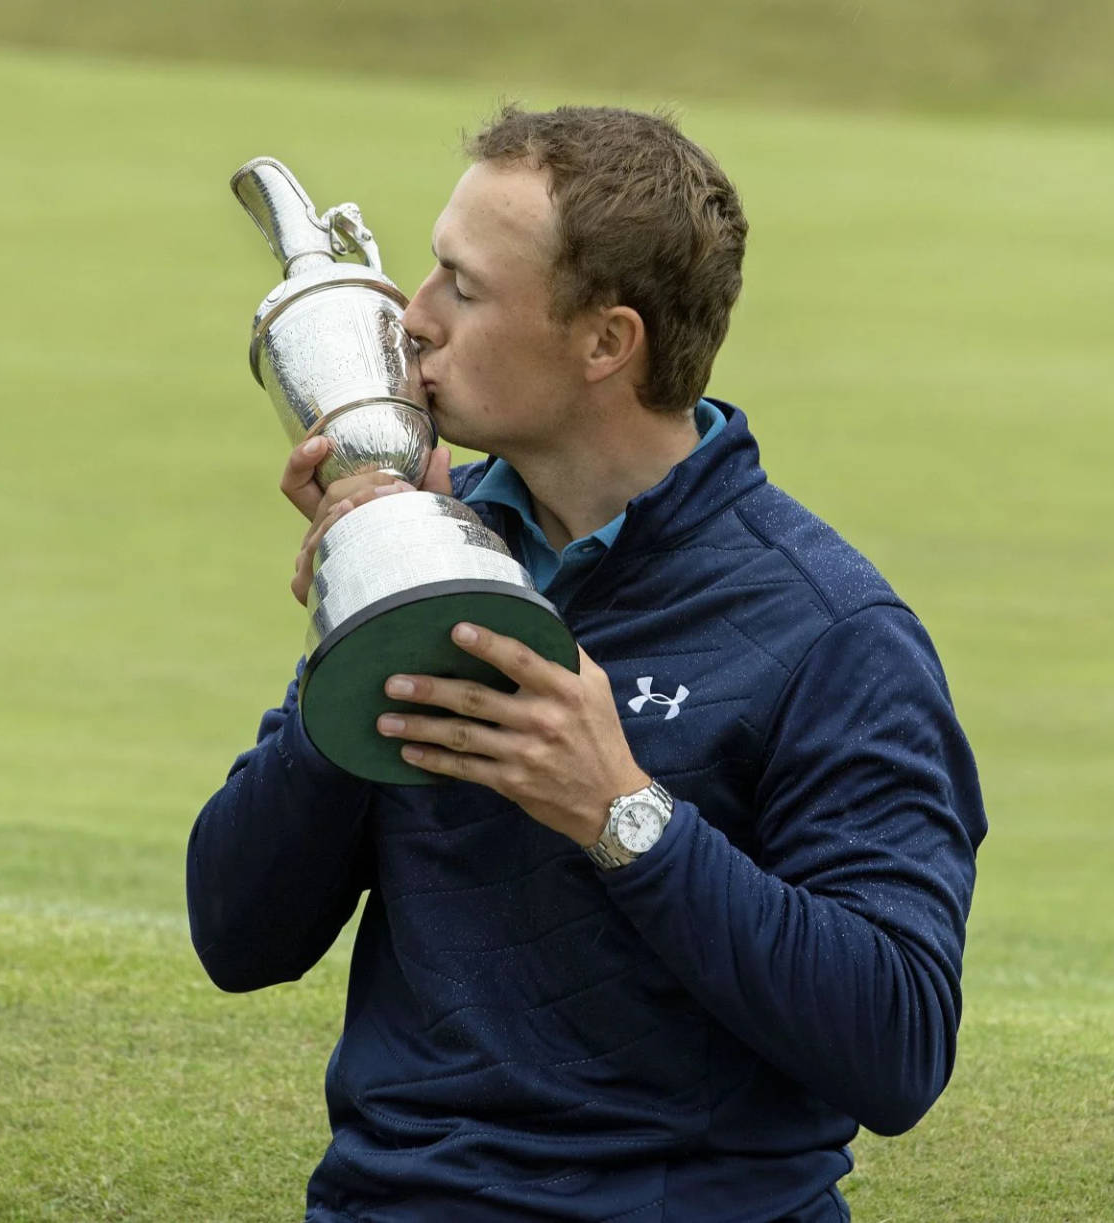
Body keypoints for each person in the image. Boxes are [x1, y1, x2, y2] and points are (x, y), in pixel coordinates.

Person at [188, 105, 987, 1223]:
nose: (412, 319)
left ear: (607, 342)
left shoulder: (832, 631)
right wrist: (366, 596)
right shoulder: (435, 542)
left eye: (464, 289)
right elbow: (238, 933)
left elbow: (897, 1047)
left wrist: (622, 813)